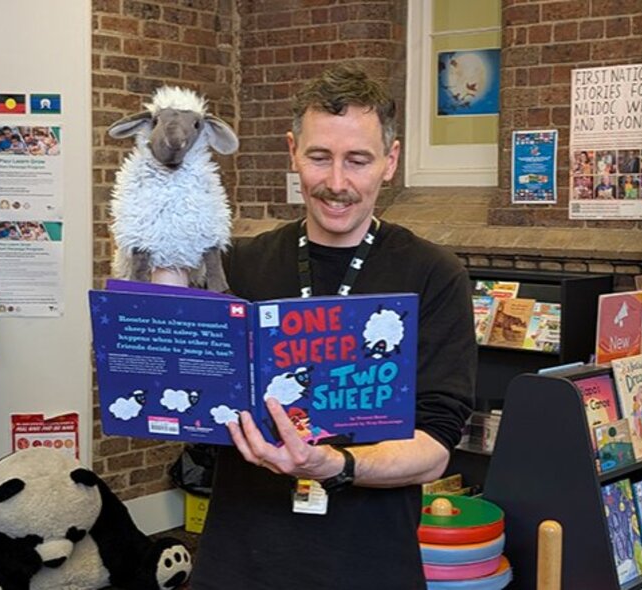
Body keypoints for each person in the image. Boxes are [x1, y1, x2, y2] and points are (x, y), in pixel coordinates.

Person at [189, 64, 476, 589]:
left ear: (390, 162)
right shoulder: (237, 264)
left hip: (367, 565)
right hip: (240, 561)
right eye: (319, 157)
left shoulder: (434, 275)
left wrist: (333, 465)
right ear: (292, 151)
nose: (337, 184)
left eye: (358, 160)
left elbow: (435, 447)